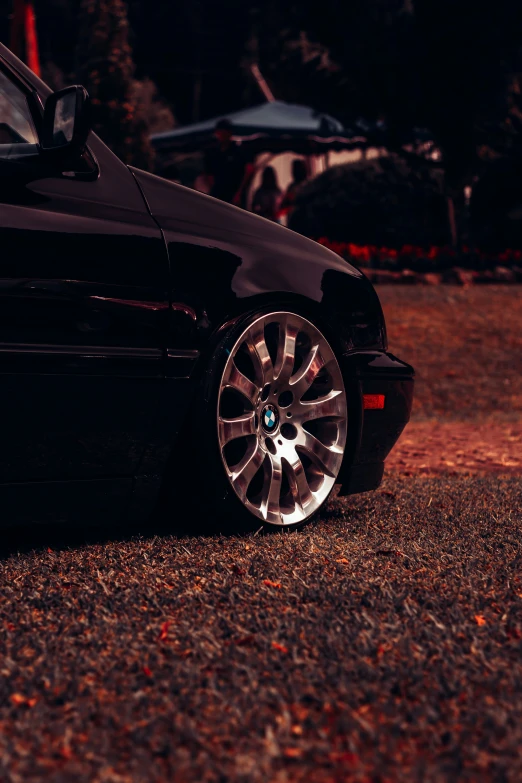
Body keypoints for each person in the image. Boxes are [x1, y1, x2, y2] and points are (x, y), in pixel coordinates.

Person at [204, 118, 254, 205]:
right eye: (219, 133)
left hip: (234, 194)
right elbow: (209, 173)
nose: (221, 135)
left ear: (229, 133)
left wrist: (239, 192)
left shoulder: (238, 151)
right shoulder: (213, 152)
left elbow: (249, 170)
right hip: (217, 194)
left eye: (224, 132)